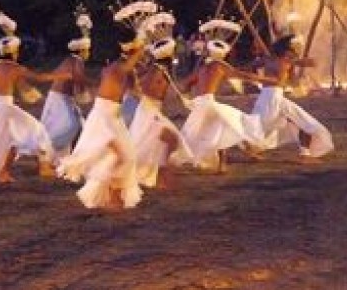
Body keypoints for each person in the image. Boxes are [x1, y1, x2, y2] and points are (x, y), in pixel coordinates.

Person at [0, 8, 67, 182]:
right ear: (14, 52)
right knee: (37, 130)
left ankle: (4, 172)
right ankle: (44, 167)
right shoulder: (15, 68)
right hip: (6, 107)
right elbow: (39, 77)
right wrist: (60, 76)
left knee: (10, 140)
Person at [57, 24, 146, 210]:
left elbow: (135, 90)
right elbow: (131, 63)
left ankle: (112, 196)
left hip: (114, 116)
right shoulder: (117, 67)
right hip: (104, 116)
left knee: (124, 156)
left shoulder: (123, 68)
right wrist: (142, 44)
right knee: (124, 156)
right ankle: (113, 198)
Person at [178, 18, 274, 174]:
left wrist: (188, 98)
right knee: (238, 122)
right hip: (209, 104)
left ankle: (245, 154)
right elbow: (243, 75)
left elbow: (185, 85)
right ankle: (240, 155)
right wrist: (266, 80)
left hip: (200, 105)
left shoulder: (202, 68)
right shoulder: (220, 66)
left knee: (223, 127)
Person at [128, 12, 195, 190]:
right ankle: (163, 177)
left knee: (164, 142)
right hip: (149, 111)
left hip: (152, 110)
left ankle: (161, 176)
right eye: (173, 51)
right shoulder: (157, 70)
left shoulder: (160, 69)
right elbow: (145, 88)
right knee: (171, 140)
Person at [248, 34, 335, 163]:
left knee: (301, 122)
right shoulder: (286, 61)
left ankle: (305, 154)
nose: (297, 50)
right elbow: (311, 64)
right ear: (288, 49)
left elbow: (254, 65)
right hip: (273, 97)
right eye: (295, 48)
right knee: (264, 126)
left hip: (267, 96)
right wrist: (294, 62)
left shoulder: (269, 59)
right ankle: (304, 154)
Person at [39, 5, 93, 162]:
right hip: (60, 100)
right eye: (87, 50)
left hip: (60, 98)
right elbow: (78, 79)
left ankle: (72, 158)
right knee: (70, 126)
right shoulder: (77, 61)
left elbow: (76, 78)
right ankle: (47, 153)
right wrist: (86, 93)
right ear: (82, 51)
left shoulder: (70, 60)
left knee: (79, 126)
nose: (89, 53)